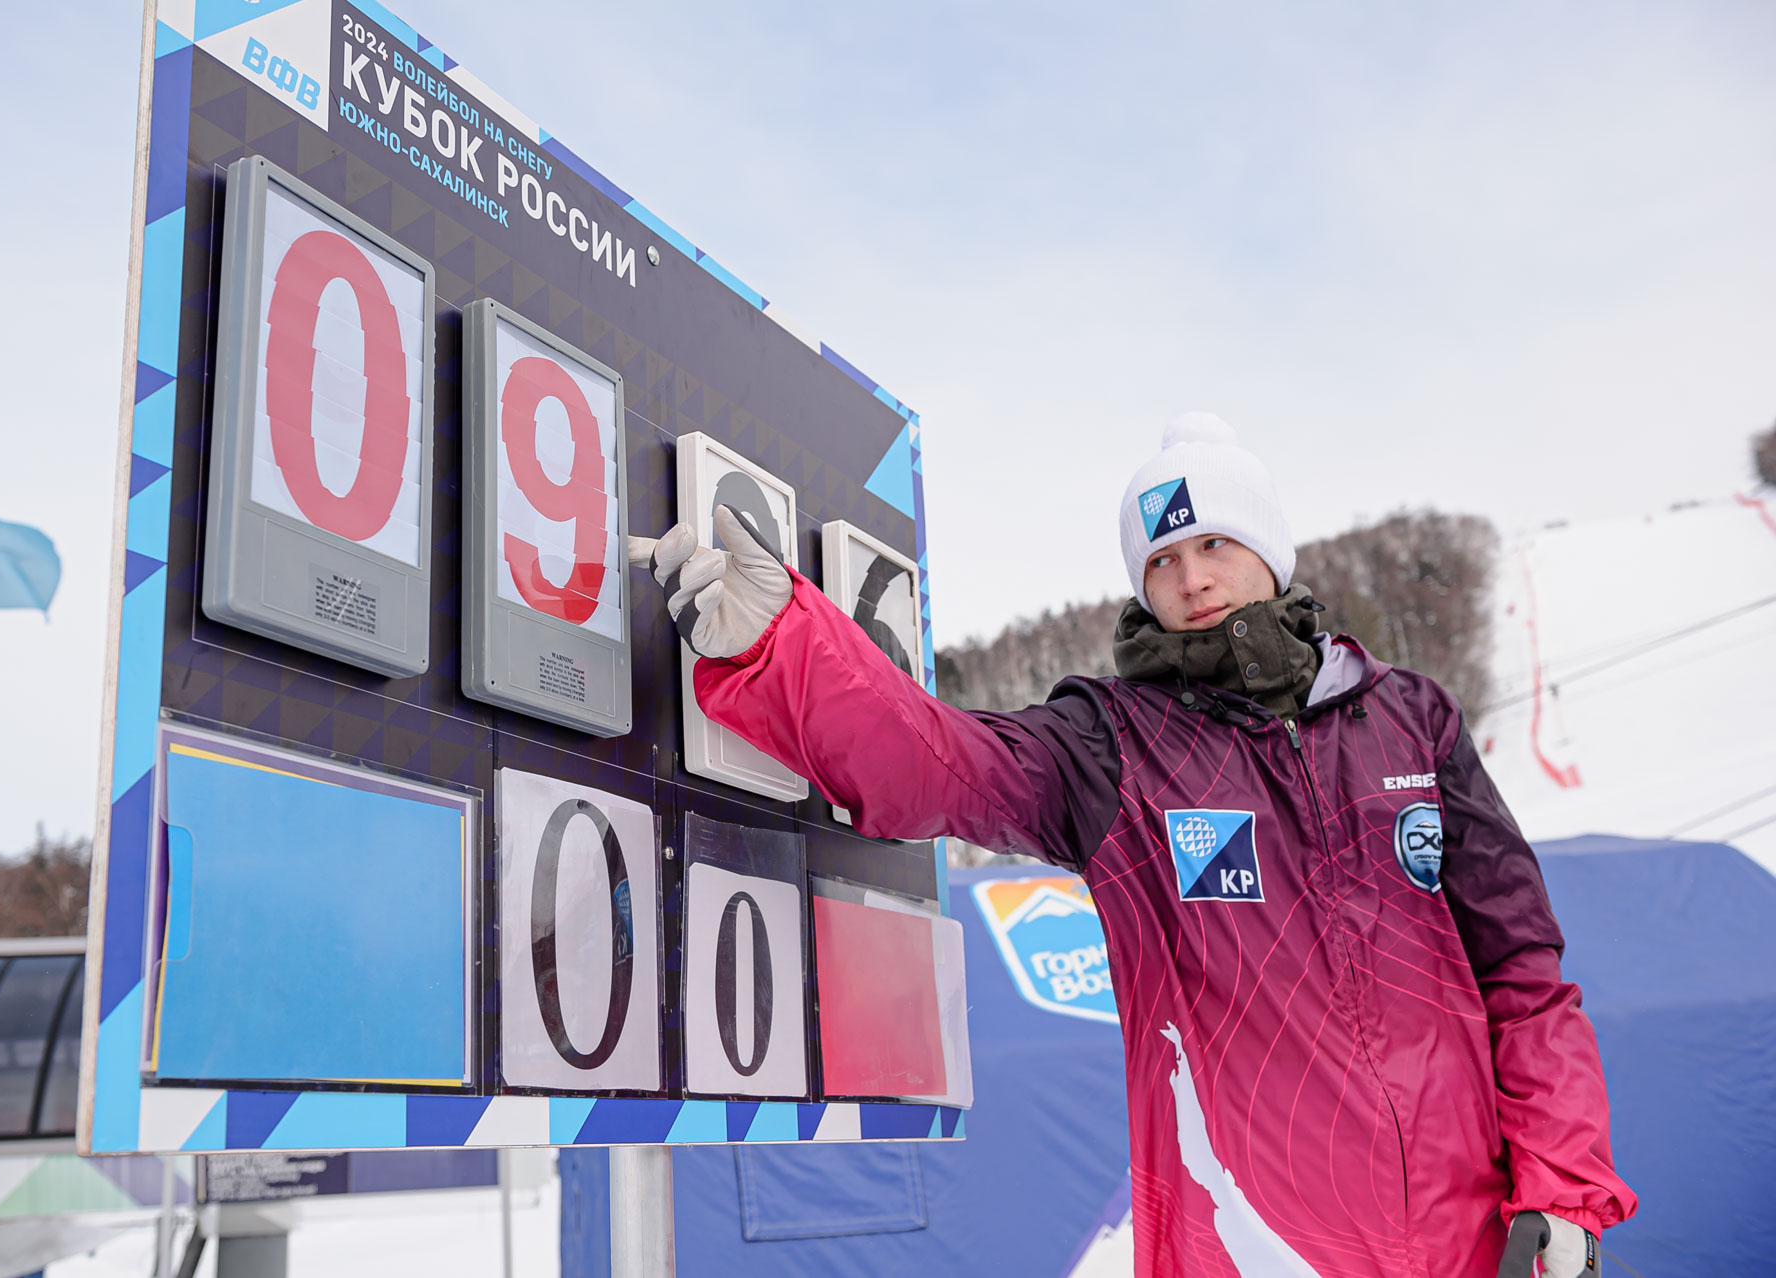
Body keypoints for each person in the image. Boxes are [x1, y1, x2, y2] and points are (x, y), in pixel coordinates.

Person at [630, 413, 1636, 1278]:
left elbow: (1523, 977)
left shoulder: (1412, 718)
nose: (1191, 578)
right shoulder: (1113, 748)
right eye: (1161, 560)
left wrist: (1564, 1192)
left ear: (1268, 549)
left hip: (1478, 1243)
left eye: (1213, 544)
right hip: (1253, 1250)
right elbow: (937, 764)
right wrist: (781, 645)